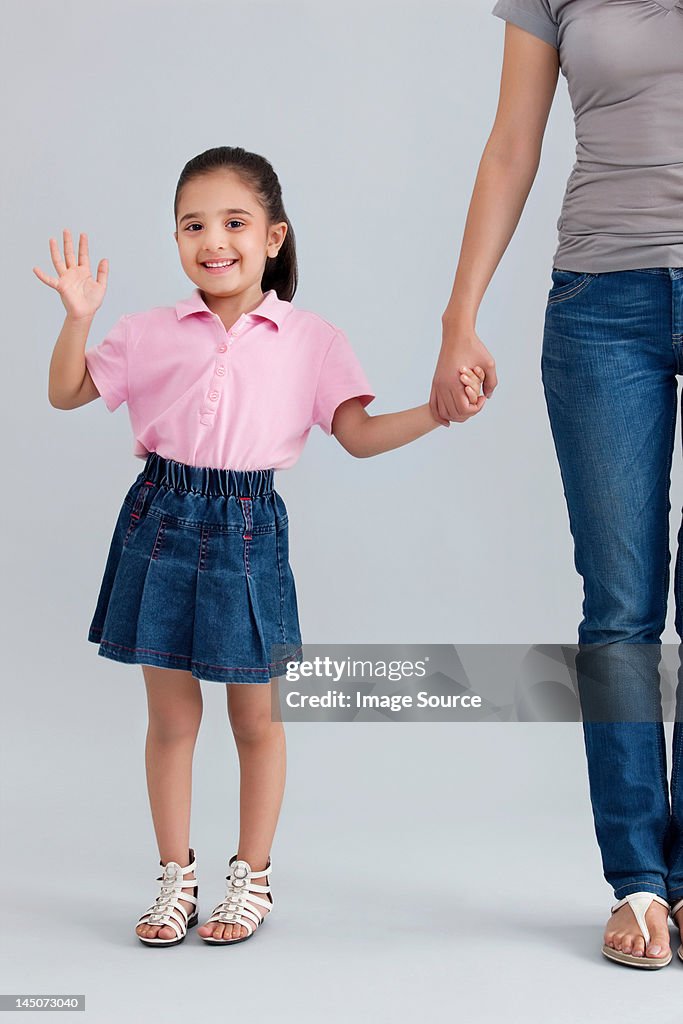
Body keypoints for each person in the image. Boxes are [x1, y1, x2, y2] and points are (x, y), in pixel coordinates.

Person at [36, 145, 484, 949]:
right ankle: (175, 879)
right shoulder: (148, 332)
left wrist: (436, 413)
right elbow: (66, 392)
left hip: (248, 528)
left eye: (234, 222)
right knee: (171, 718)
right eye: (193, 225)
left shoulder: (311, 338)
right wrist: (78, 319)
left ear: (273, 237)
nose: (214, 240)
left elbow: (356, 434)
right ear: (176, 240)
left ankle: (253, 876)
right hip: (159, 519)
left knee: (254, 717)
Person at [430, 1, 683, 969]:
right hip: (598, 306)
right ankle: (636, 884)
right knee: (618, 605)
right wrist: (459, 315)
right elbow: (508, 144)